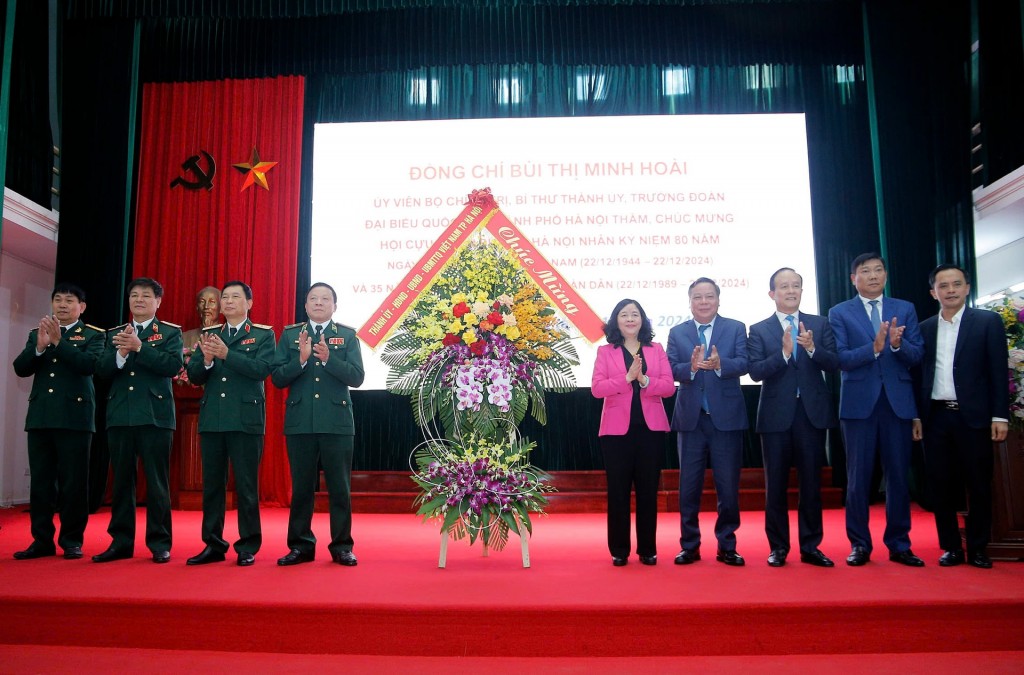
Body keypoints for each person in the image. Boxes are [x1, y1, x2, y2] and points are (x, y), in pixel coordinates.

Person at [828, 252, 924, 567]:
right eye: (865, 271)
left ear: (885, 274)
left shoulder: (904, 308)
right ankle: (859, 544)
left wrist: (897, 345)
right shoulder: (840, 312)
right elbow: (841, 358)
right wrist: (874, 348)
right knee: (858, 478)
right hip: (858, 406)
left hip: (896, 404)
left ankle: (899, 544)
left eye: (878, 270)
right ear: (854, 278)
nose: (873, 275)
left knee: (898, 476)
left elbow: (916, 356)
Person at [912, 264, 1009, 569]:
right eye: (943, 286)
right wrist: (917, 416)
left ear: (967, 287)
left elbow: (997, 372)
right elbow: (918, 376)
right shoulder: (925, 328)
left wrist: (1000, 416)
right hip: (936, 417)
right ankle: (951, 547)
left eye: (956, 284)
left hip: (975, 418)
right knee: (940, 485)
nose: (950, 290)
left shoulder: (987, 322)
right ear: (933, 292)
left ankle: (978, 548)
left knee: (979, 484)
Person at [747, 268, 839, 567]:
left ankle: (811, 546)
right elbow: (756, 372)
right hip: (776, 416)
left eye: (796, 286)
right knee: (775, 485)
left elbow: (834, 362)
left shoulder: (819, 324)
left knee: (811, 484)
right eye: (784, 286)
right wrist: (784, 355)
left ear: (802, 291)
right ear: (772, 293)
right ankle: (778, 547)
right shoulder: (759, 329)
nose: (790, 291)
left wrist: (811, 348)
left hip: (811, 414)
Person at [271, 282, 365, 567]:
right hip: (301, 422)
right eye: (314, 298)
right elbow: (277, 378)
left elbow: (357, 377)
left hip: (336, 423)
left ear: (334, 306)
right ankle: (300, 546)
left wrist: (329, 359)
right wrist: (299, 361)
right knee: (301, 489)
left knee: (339, 488)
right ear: (306, 305)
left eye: (326, 299)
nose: (319, 303)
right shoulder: (290, 335)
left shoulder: (346, 336)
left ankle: (342, 546)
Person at [12, 283, 105, 560]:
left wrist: (58, 344)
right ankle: (41, 540)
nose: (62, 305)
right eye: (58, 300)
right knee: (41, 483)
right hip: (41, 418)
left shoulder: (92, 335)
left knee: (73, 483)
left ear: (82, 307)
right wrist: (39, 348)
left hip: (75, 419)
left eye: (69, 301)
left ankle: (72, 540)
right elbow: (21, 368)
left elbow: (90, 366)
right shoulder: (36, 333)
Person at [185, 281, 275, 567]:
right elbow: (196, 376)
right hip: (213, 419)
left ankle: (247, 545)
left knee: (247, 486)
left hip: (246, 420)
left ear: (249, 303)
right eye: (225, 297)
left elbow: (262, 370)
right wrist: (207, 361)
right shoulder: (210, 334)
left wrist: (227, 355)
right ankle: (213, 544)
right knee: (212, 486)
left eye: (236, 297)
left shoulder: (262, 335)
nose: (228, 302)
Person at [93, 277, 183, 563]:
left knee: (157, 482)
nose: (139, 300)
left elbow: (172, 365)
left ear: (158, 301)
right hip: (120, 415)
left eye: (146, 295)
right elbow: (101, 371)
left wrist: (140, 348)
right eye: (134, 295)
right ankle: (121, 542)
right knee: (121, 481)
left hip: (155, 417)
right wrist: (120, 353)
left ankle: (159, 543)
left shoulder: (169, 333)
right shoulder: (115, 333)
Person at [667, 277, 749, 566]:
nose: (704, 302)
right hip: (691, 420)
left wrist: (720, 365)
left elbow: (745, 362)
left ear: (718, 299)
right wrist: (688, 368)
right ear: (689, 302)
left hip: (726, 420)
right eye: (698, 297)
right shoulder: (678, 333)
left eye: (709, 296)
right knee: (688, 487)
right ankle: (689, 545)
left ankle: (727, 545)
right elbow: (670, 367)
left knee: (728, 486)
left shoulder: (736, 328)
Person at [591, 298, 676, 566]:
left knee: (648, 491)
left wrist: (645, 380)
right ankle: (619, 550)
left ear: (643, 320)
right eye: (624, 315)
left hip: (651, 431)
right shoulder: (606, 352)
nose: (630, 319)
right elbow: (597, 389)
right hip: (616, 433)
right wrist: (627, 378)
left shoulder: (656, 349)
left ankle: (648, 550)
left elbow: (668, 387)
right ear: (616, 320)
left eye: (635, 314)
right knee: (618, 492)